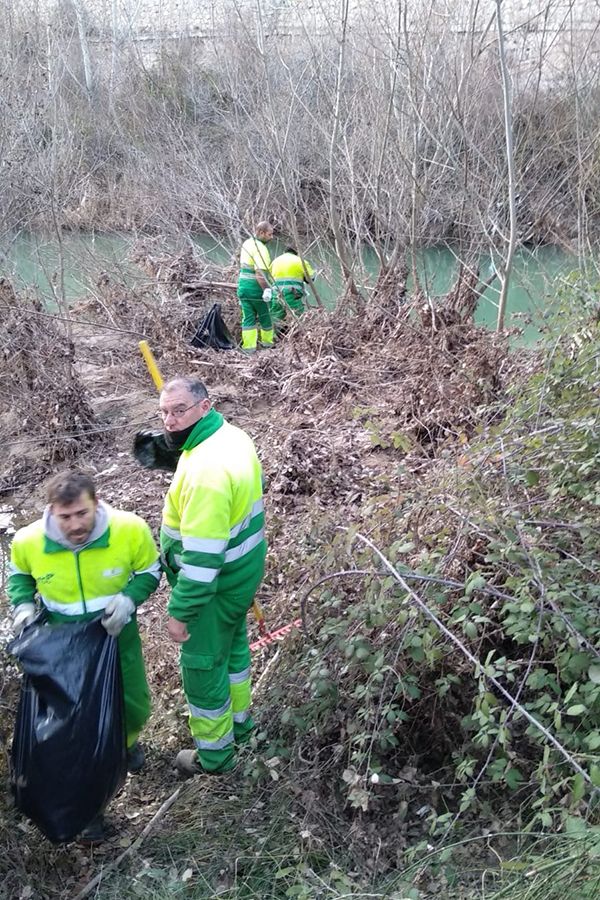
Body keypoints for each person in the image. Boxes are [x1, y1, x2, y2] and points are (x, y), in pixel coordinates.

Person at [8, 470, 161, 841]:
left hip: (114, 637)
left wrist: (128, 600)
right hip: (62, 647)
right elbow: (19, 578)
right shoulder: (28, 541)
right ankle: (90, 805)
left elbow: (150, 570)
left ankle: (125, 744)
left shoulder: (129, 530)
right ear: (51, 512)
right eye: (65, 517)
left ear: (96, 503)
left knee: (134, 703)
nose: (75, 525)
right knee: (74, 730)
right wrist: (24, 607)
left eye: (82, 514)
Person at [158, 377, 266, 776]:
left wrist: (180, 612)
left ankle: (216, 757)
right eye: (164, 412)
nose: (170, 421)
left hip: (214, 589)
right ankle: (242, 727)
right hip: (241, 580)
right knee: (234, 652)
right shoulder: (231, 436)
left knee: (204, 667)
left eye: (179, 410)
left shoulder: (206, 470)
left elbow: (203, 562)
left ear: (205, 406)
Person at [237, 221, 275, 353]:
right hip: (255, 288)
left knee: (248, 318)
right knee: (265, 316)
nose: (271, 237)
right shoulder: (261, 248)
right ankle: (267, 346)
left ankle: (248, 349)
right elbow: (260, 274)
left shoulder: (247, 243)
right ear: (261, 233)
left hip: (243, 286)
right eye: (269, 234)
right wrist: (267, 289)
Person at [270, 247, 316, 329]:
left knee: (276, 317)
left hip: (276, 293)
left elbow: (269, 278)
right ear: (296, 253)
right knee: (295, 318)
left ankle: (276, 338)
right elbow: (310, 279)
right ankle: (293, 339)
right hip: (292, 294)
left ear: (284, 252)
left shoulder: (275, 261)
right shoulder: (301, 261)